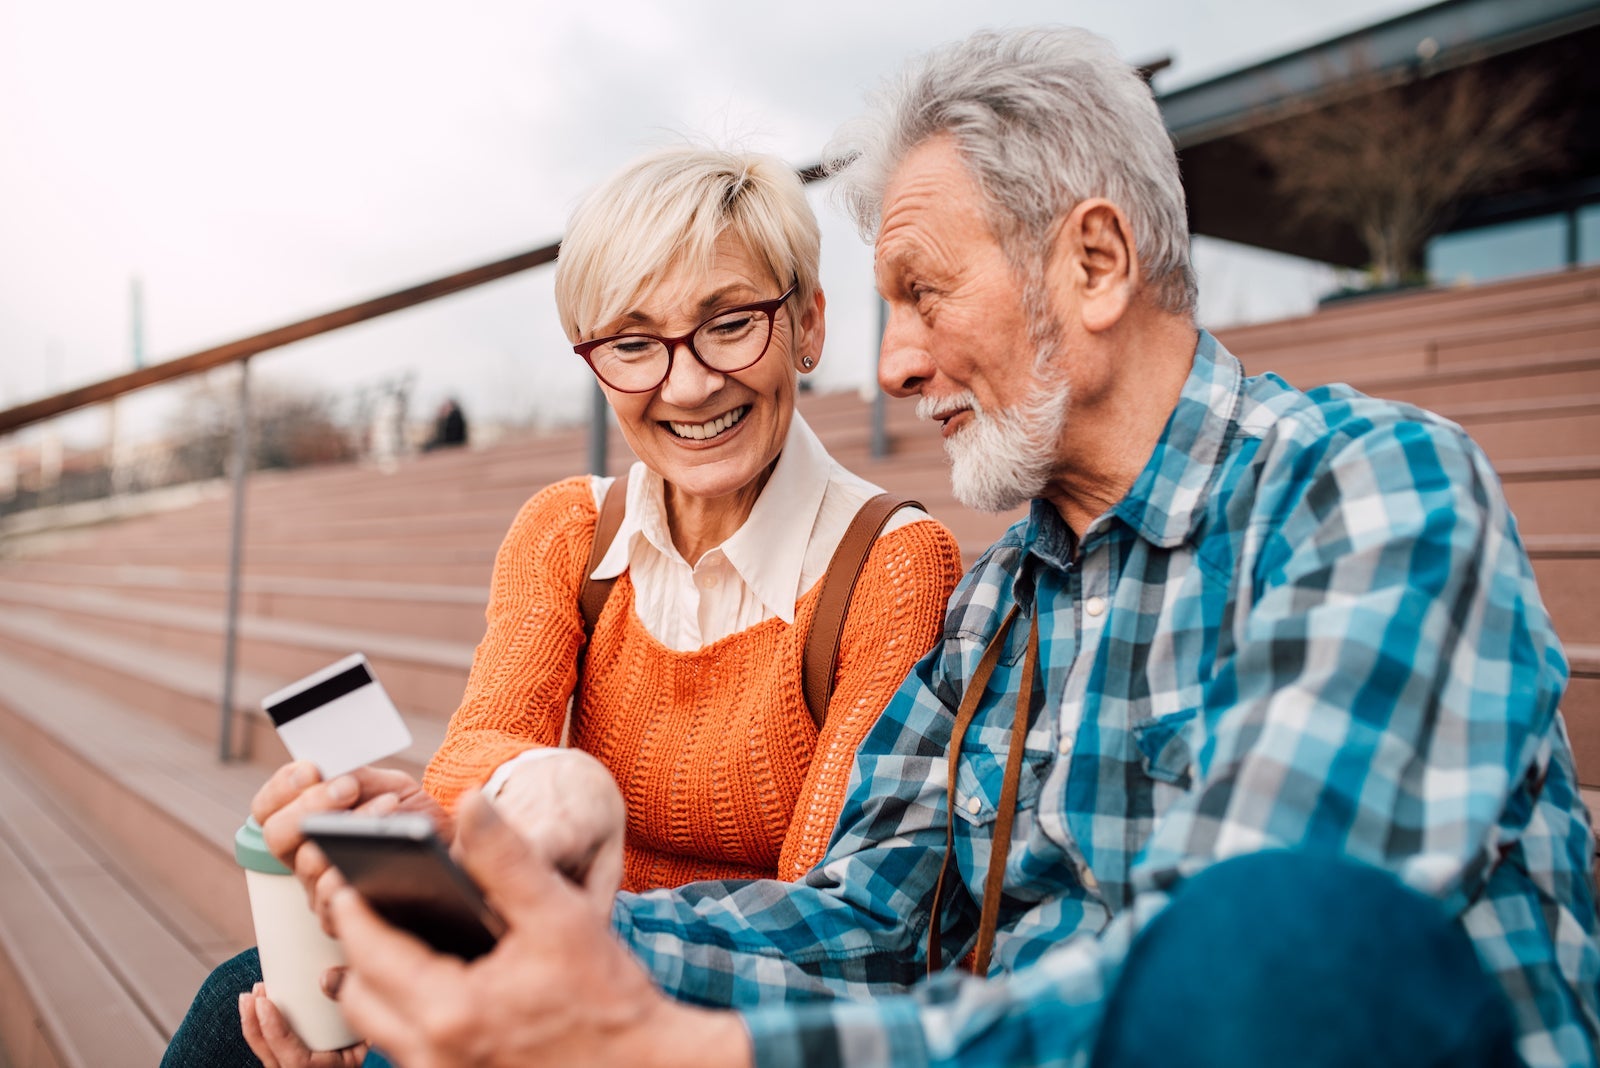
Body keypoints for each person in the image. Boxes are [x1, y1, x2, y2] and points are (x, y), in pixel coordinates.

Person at [298, 26, 1598, 1068]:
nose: (897, 362)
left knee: (1258, 944)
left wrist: (680, 1045)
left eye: (921, 293)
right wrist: (563, 947)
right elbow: (864, 917)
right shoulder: (1000, 610)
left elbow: (1233, 997)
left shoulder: (1368, 495)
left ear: (1093, 262)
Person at [160, 146, 964, 1066]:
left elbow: (826, 921)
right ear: (594, 362)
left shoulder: (893, 567)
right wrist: (524, 801)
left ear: (808, 324)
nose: (690, 383)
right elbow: (471, 758)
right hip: (530, 944)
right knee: (252, 1004)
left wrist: (543, 930)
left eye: (731, 322)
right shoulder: (565, 530)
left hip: (712, 1020)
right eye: (633, 343)